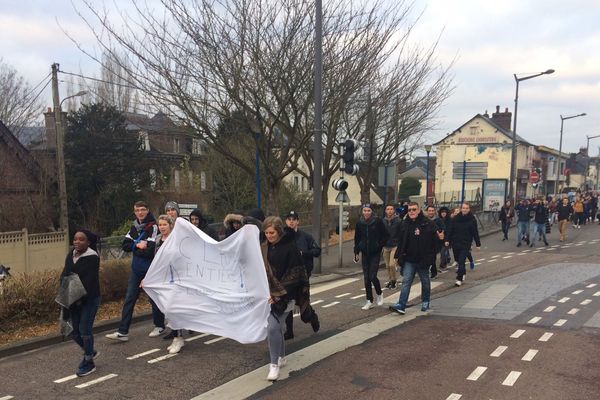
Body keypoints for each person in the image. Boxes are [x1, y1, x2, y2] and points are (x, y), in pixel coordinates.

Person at [261, 216, 319, 381]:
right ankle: (281, 357)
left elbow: (296, 274)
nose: (269, 236)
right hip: (268, 295)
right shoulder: (263, 248)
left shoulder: (290, 248)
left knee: (272, 327)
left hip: (288, 295)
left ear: (278, 231)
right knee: (276, 326)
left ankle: (273, 365)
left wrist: (278, 295)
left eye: (271, 232)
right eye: (266, 233)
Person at [106, 201, 164, 342]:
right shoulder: (134, 227)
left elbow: (150, 250)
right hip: (136, 270)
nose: (140, 212)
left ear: (147, 210)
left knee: (154, 299)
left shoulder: (154, 226)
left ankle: (159, 325)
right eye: (137, 210)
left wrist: (136, 248)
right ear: (134, 212)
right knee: (129, 299)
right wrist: (138, 245)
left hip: (150, 270)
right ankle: (123, 332)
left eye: (143, 209)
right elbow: (124, 245)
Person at [61, 229, 101, 377]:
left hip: (89, 299)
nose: (77, 242)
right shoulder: (71, 255)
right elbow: (65, 274)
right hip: (72, 299)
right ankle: (90, 350)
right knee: (73, 331)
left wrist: (78, 300)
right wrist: (64, 295)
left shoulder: (92, 257)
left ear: (89, 242)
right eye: (75, 239)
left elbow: (88, 282)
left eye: (81, 239)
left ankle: (89, 362)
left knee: (84, 330)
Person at [389, 202, 439, 314]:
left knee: (425, 281)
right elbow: (401, 241)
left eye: (414, 209)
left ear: (419, 210)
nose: (411, 212)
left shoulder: (428, 224)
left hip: (423, 259)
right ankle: (401, 304)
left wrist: (430, 257)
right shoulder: (405, 224)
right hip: (409, 259)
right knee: (406, 281)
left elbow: (436, 243)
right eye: (410, 210)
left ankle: (425, 302)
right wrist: (398, 255)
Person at [283, 210, 321, 340]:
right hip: (287, 278)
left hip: (302, 278)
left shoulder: (306, 237)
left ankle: (312, 317)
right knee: (288, 303)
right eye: (289, 219)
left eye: (294, 219)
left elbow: (317, 251)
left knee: (303, 306)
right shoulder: (281, 238)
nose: (291, 221)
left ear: (298, 221)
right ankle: (289, 331)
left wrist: (303, 254)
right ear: (285, 221)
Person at [353, 203, 389, 310]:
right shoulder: (360, 223)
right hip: (365, 252)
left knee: (372, 276)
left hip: (375, 252)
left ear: (372, 211)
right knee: (366, 278)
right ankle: (369, 300)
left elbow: (386, 235)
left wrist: (379, 245)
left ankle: (379, 293)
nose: (367, 213)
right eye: (365, 211)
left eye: (368, 211)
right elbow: (357, 238)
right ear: (362, 212)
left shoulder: (377, 221)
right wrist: (356, 252)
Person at [445, 203, 481, 286]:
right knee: (458, 260)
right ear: (461, 209)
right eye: (463, 208)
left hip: (466, 243)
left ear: (469, 209)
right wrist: (447, 240)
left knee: (461, 260)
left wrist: (478, 244)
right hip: (455, 242)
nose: (464, 210)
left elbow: (475, 232)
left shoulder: (472, 219)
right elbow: (450, 229)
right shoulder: (455, 219)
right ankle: (463, 272)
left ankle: (459, 279)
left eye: (466, 208)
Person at [382, 204, 402, 288]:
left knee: (392, 264)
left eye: (391, 209)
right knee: (387, 266)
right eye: (388, 209)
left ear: (394, 211)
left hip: (395, 245)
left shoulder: (398, 221)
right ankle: (390, 280)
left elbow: (401, 233)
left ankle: (394, 280)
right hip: (386, 246)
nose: (389, 211)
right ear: (385, 211)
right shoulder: (383, 221)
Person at [425, 205, 445, 279]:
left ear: (435, 211)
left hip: (435, 242)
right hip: (426, 242)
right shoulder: (424, 220)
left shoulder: (438, 220)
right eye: (429, 211)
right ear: (427, 212)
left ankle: (434, 273)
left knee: (432, 258)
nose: (431, 212)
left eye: (432, 211)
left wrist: (441, 234)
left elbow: (443, 229)